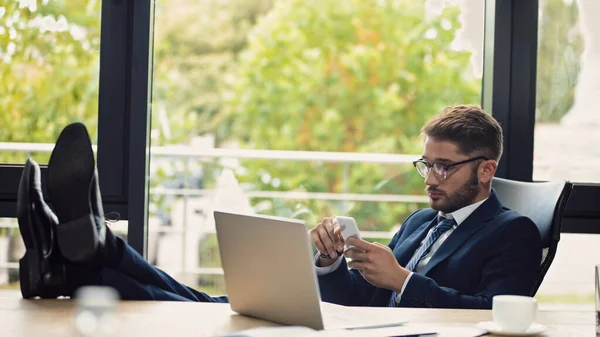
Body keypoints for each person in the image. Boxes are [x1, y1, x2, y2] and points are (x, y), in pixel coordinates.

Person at [17, 105, 541, 309]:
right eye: (424, 164)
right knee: (206, 301)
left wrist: (402, 280)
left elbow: (499, 317)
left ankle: (79, 255)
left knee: (204, 308)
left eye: (444, 167)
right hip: (346, 322)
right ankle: (74, 261)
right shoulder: (422, 219)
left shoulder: (511, 232)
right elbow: (357, 296)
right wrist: (330, 261)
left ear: (485, 170)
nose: (430, 179)